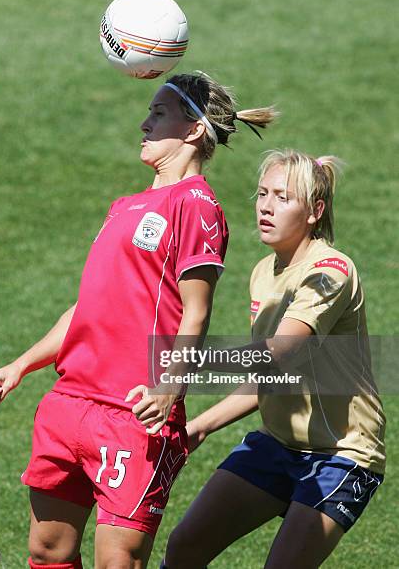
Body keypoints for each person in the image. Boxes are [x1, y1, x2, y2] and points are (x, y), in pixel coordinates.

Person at [0, 72, 276, 569]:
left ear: (194, 130)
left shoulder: (196, 206)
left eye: (159, 113)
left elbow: (196, 311)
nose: (144, 123)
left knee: (119, 564)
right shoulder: (124, 206)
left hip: (134, 411)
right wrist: (21, 365)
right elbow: (86, 308)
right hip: (70, 402)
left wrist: (168, 387)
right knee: (46, 551)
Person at [164, 149, 386, 569]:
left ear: (315, 210)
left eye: (283, 198)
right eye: (262, 194)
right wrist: (201, 426)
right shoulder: (264, 271)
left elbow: (279, 353)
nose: (265, 206)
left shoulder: (331, 271)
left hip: (341, 455)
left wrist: (192, 359)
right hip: (278, 444)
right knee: (184, 547)